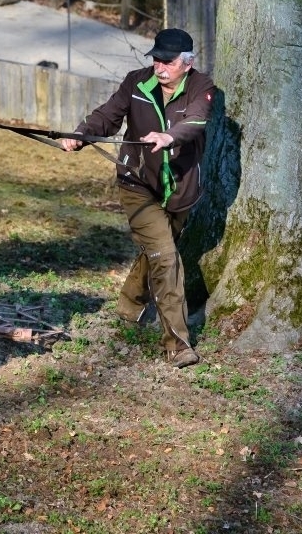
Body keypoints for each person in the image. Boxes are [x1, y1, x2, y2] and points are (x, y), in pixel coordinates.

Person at [59, 28, 214, 368]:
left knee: (157, 251)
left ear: (187, 64)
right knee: (166, 257)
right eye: (156, 60)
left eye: (168, 62)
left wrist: (169, 136)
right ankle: (178, 345)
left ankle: (129, 308)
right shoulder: (136, 82)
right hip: (137, 183)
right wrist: (81, 134)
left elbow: (195, 123)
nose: (160, 68)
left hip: (180, 190)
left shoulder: (202, 88)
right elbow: (107, 115)